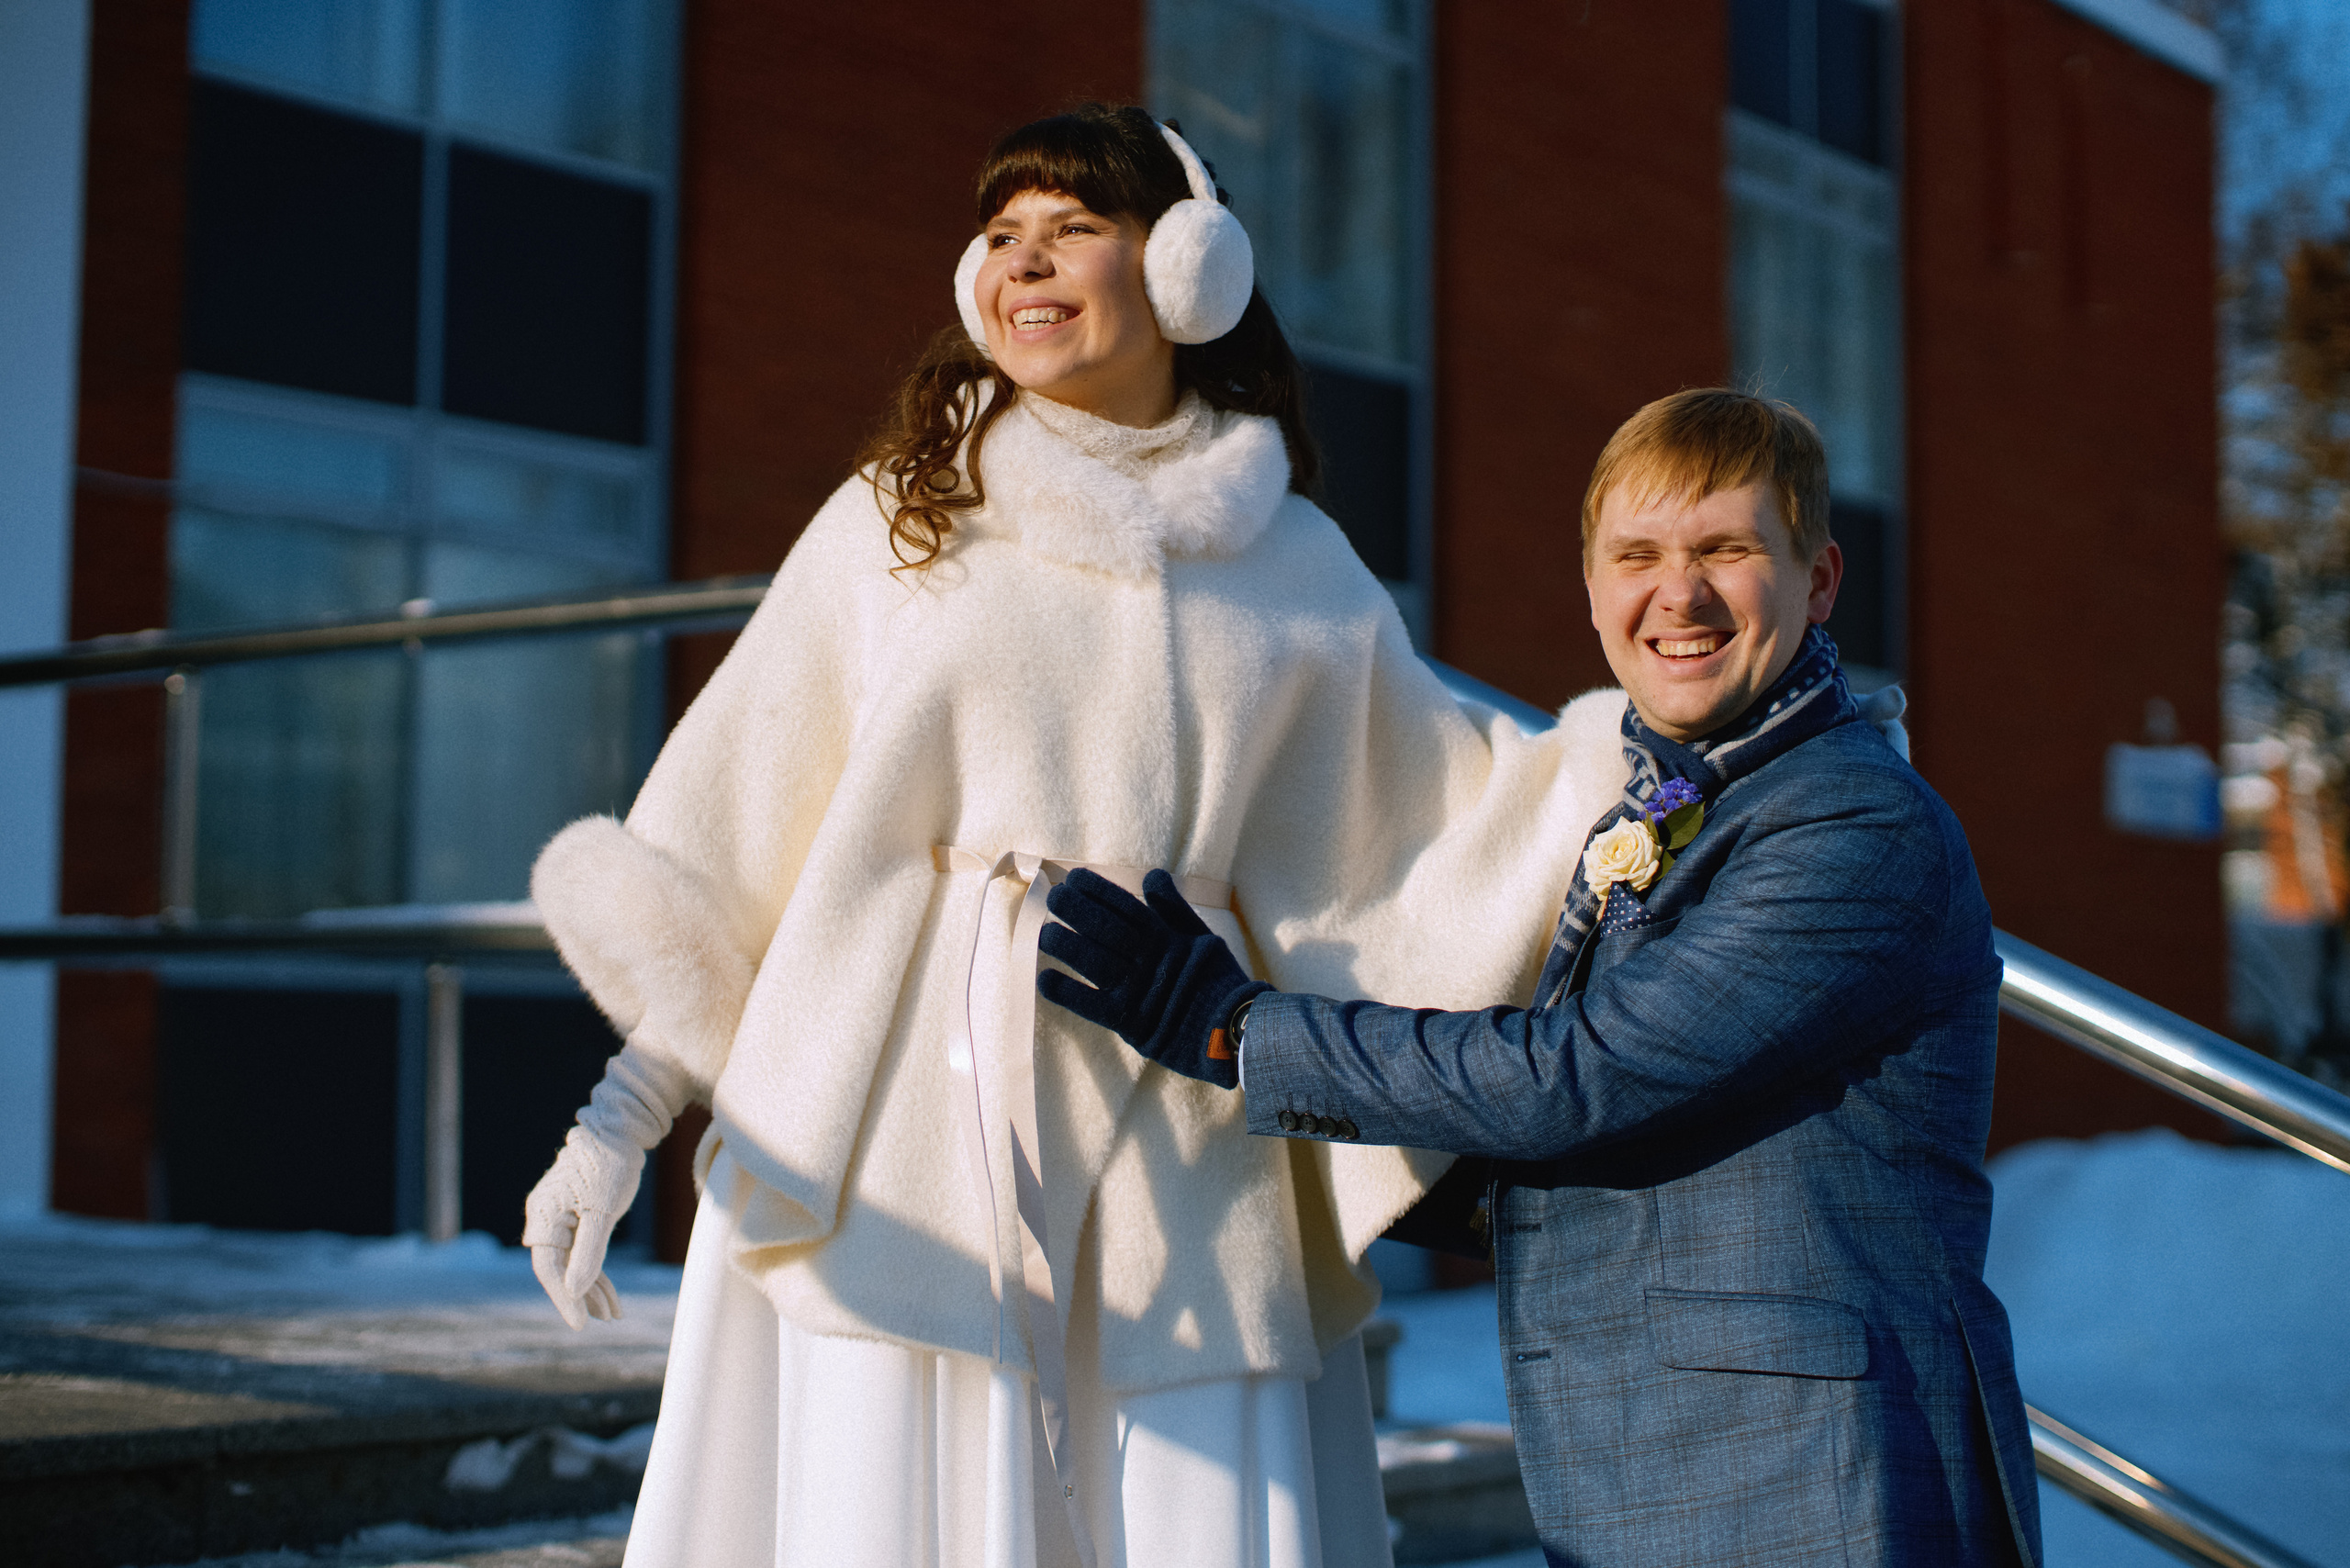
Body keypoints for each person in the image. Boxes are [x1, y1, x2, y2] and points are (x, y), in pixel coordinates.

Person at [515, 104, 1632, 1568]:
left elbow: (1445, 832)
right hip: (892, 1133)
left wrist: (1655, 753)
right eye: (999, 235)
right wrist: (617, 1122)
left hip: (1185, 1136)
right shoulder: (901, 516)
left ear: (1187, 269)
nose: (1022, 265)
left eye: (1071, 229)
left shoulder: (1297, 565)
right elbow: (749, 842)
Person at [1038, 389, 2045, 1567]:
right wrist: (1317, 1170)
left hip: (1817, 1481)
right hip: (1662, 1473)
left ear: (1818, 581)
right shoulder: (1675, 796)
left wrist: (1236, 1032)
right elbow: (1620, 1170)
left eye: (1725, 549)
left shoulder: (1853, 824)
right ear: (1590, 588)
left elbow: (1585, 1077)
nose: (1679, 595)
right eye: (1637, 556)